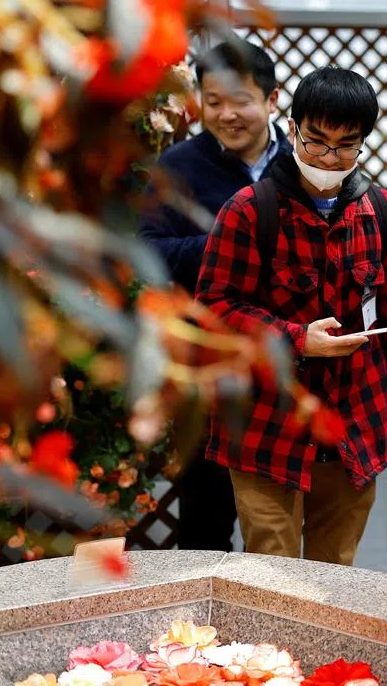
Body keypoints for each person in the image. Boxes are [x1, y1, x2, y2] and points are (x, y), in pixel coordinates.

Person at [195, 66, 387, 566]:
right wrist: (296, 338)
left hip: (354, 425)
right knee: (272, 570)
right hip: (266, 426)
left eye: (346, 146)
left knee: (336, 572)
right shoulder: (250, 210)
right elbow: (215, 308)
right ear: (292, 127)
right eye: (316, 141)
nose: (328, 158)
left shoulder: (381, 212)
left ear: (363, 143)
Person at [139, 40, 290, 552]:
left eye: (241, 100)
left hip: (290, 360)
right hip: (207, 366)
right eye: (214, 101)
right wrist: (225, 246)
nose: (227, 114)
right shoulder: (178, 166)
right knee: (206, 519)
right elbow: (147, 253)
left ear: (272, 100)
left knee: (284, 519)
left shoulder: (302, 166)